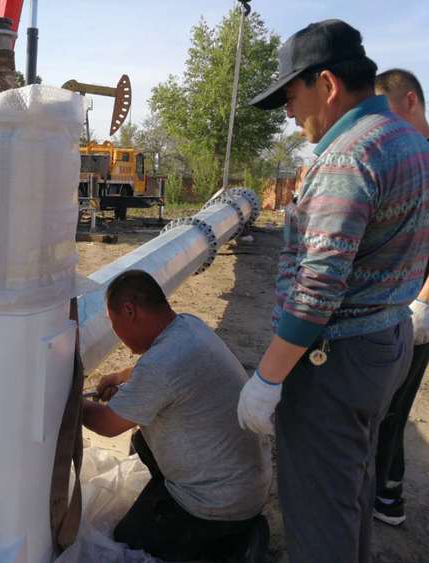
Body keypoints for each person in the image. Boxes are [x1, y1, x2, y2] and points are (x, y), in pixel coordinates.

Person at [241, 20, 429, 563]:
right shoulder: (408, 141)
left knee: (319, 510)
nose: (287, 113)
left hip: (335, 360)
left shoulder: (349, 155)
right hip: (384, 340)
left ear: (325, 84)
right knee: (348, 491)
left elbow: (317, 288)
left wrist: (267, 378)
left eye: (289, 97)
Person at [83, 270, 271, 562]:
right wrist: (121, 377)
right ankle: (235, 531)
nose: (115, 333)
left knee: (127, 541)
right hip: (245, 486)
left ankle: (235, 547)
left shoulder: (161, 365)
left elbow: (107, 424)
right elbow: (156, 372)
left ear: (130, 311)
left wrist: (67, 401)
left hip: (217, 506)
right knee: (142, 438)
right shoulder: (187, 326)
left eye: (113, 322)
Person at [371, 68, 429, 526]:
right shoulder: (409, 159)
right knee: (385, 403)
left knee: (391, 406)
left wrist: (423, 302)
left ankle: (386, 495)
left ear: (410, 101)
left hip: (415, 308)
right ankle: (384, 490)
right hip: (396, 304)